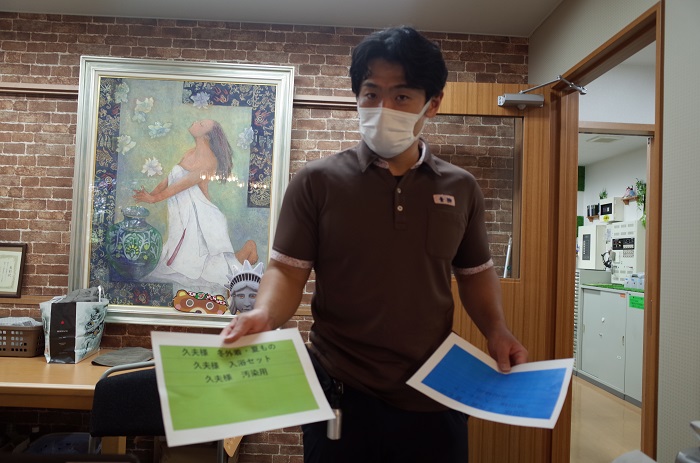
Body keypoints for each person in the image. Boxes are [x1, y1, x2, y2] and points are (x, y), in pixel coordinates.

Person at [220, 26, 528, 462]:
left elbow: (475, 274)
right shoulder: (317, 182)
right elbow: (286, 270)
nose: (383, 108)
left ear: (432, 104)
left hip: (434, 394)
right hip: (341, 391)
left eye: (401, 96)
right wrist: (264, 314)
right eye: (371, 94)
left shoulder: (461, 187)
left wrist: (497, 331)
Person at [133, 119, 258, 296]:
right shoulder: (189, 153)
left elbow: (180, 186)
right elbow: (169, 180)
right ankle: (244, 253)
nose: (196, 122)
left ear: (207, 136)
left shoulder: (209, 161)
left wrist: (153, 199)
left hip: (200, 216)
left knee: (204, 266)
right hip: (183, 214)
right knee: (187, 262)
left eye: (202, 124)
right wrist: (150, 195)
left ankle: (249, 248)